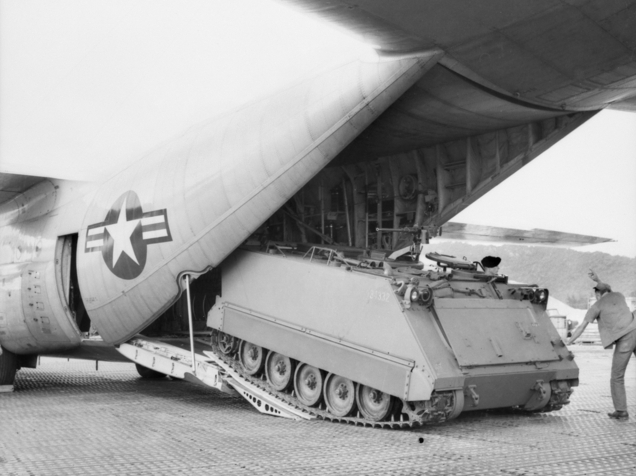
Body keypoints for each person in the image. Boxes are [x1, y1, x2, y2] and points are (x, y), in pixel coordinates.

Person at [567, 269, 636, 420]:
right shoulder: (619, 295)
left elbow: (582, 327)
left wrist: (569, 341)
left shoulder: (596, 306)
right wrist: (598, 280)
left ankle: (621, 411)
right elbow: (606, 289)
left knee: (617, 376)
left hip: (626, 338)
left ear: (597, 295)